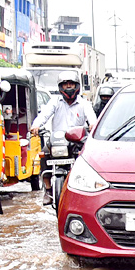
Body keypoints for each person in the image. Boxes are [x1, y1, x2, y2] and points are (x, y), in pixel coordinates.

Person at [31, 70, 97, 205]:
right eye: (65, 84)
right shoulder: (55, 102)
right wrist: (35, 126)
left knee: (88, 159)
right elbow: (44, 115)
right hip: (57, 140)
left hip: (77, 141)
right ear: (60, 86)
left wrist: (92, 125)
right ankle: (48, 190)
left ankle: (85, 189)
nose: (68, 86)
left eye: (71, 84)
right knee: (43, 154)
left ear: (76, 86)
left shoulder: (84, 104)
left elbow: (92, 118)